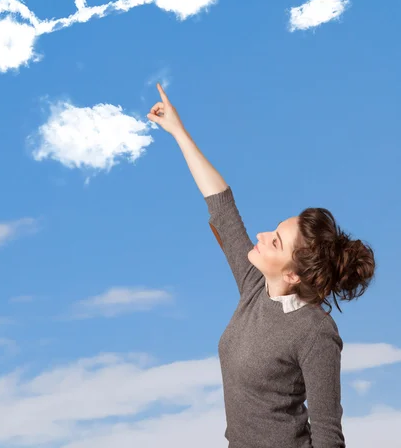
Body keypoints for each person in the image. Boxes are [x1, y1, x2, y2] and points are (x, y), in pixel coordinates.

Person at [147, 83, 376, 448]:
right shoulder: (256, 286)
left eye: (275, 241)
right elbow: (222, 206)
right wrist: (178, 131)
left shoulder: (315, 332)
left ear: (293, 274)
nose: (261, 234)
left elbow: (329, 436)